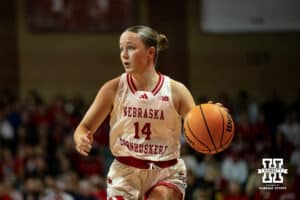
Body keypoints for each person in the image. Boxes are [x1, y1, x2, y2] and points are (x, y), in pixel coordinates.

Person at [73, 25, 226, 200]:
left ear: (150, 53)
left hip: (166, 172)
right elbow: (84, 127)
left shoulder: (176, 91)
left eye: (130, 48)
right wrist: (81, 139)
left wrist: (212, 118)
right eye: (121, 48)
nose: (124, 54)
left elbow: (199, 127)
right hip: (125, 173)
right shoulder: (113, 88)